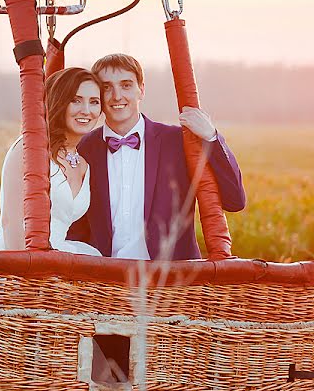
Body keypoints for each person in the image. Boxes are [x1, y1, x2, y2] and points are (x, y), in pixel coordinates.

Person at [68, 53, 246, 260]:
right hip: (104, 280)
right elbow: (74, 224)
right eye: (107, 87)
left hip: (171, 280)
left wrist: (212, 138)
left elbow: (235, 200)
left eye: (126, 85)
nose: (117, 96)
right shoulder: (83, 148)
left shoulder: (179, 142)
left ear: (141, 90)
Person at [0, 67, 102, 255]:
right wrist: (26, 275)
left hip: (57, 256)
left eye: (94, 102)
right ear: (60, 101)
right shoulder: (29, 148)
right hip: (16, 255)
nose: (86, 110)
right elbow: (11, 222)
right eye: (76, 100)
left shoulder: (83, 166)